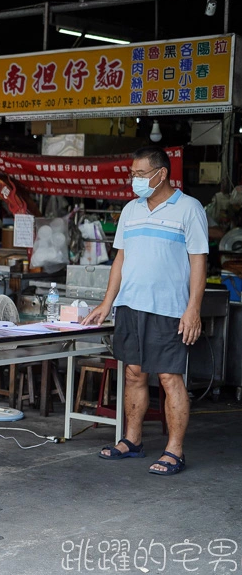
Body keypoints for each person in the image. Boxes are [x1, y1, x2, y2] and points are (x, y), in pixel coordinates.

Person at [83, 145, 208, 476]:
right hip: (130, 305)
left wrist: (193, 308)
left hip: (169, 309)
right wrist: (107, 302)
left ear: (161, 174)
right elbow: (120, 260)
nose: (133, 180)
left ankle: (174, 450)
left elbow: (199, 261)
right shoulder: (130, 211)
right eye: (132, 174)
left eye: (139, 174)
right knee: (134, 373)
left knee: (169, 377)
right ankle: (132, 440)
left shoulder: (189, 209)